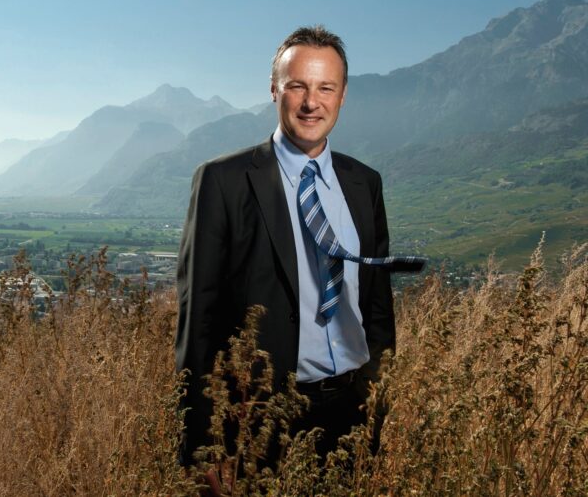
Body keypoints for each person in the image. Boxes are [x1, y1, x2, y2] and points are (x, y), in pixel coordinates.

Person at [175, 26, 423, 471]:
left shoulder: (364, 183)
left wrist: (376, 400)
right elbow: (198, 324)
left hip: (351, 411)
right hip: (260, 417)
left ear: (342, 95)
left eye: (326, 87)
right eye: (297, 86)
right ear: (274, 90)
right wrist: (203, 451)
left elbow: (377, 307)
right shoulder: (224, 181)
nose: (312, 102)